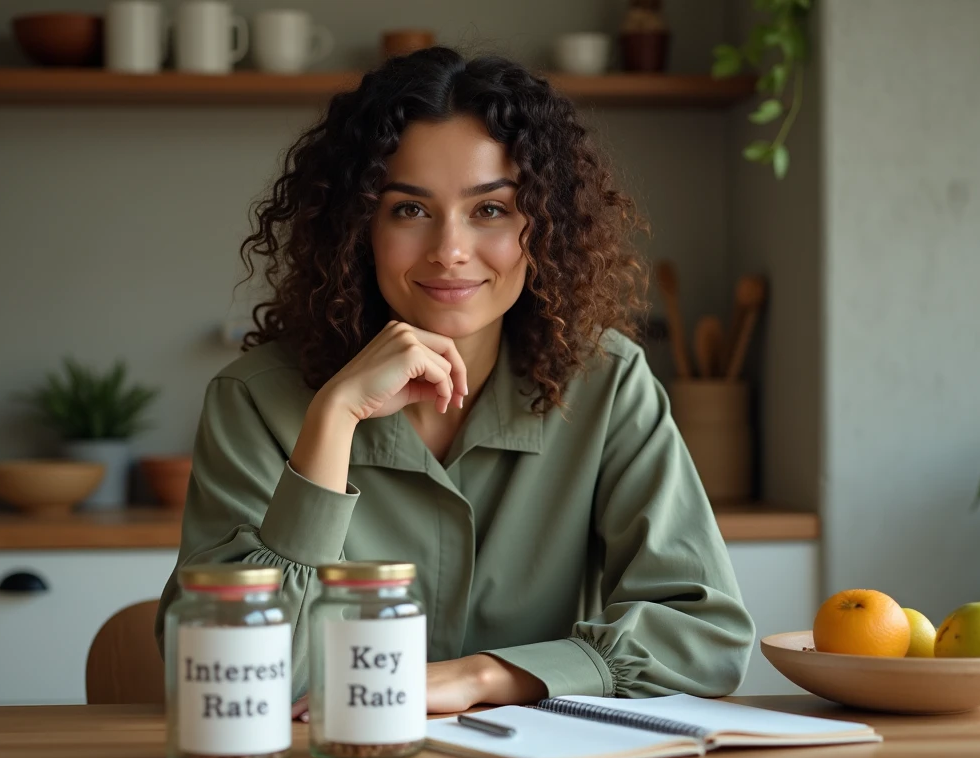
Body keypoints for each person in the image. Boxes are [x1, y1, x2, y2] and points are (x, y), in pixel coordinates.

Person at [156, 46, 754, 717]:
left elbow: (706, 637)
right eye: (409, 210)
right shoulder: (256, 399)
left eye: (491, 209)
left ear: (542, 227)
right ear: (359, 229)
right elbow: (216, 675)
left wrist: (482, 677)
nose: (449, 250)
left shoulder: (608, 384)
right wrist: (333, 420)